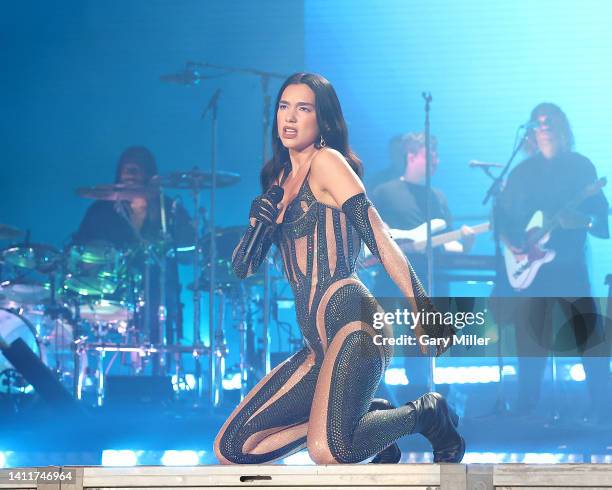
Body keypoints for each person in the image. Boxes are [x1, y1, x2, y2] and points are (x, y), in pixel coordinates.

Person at [214, 73, 464, 465]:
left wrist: (424, 307)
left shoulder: (328, 163)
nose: (290, 118)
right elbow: (243, 268)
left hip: (356, 324)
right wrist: (258, 224)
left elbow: (379, 235)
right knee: (232, 449)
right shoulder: (277, 180)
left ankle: (427, 414)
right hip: (317, 346)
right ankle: (366, 421)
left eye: (303, 108)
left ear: (323, 120)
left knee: (329, 450)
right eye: (284, 107)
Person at [496, 103, 610, 419]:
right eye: (538, 122)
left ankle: (604, 411)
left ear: (562, 127)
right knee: (530, 341)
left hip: (571, 267)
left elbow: (602, 223)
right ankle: (526, 412)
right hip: (532, 272)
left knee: (591, 339)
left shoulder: (581, 167)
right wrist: (517, 247)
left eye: (550, 121)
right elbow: (502, 220)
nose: (543, 126)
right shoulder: (521, 172)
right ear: (531, 131)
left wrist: (583, 221)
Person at [73, 146, 193, 349]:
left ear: (149, 175)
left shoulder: (169, 209)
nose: (130, 173)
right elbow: (81, 256)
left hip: (158, 297)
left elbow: (188, 252)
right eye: (126, 169)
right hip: (108, 297)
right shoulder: (101, 210)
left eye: (136, 169)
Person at [371, 132, 476, 295]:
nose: (435, 160)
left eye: (437, 155)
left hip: (433, 284)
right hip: (393, 282)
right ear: (411, 156)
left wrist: (467, 244)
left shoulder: (438, 197)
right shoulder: (384, 191)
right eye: (429, 155)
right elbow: (364, 232)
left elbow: (448, 244)